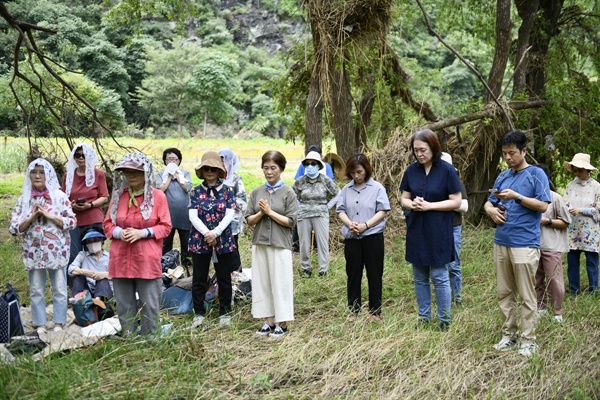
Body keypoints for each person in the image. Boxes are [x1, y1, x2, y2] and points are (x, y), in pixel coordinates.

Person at [484, 130, 550, 357]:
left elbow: (543, 206)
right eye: (504, 154)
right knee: (504, 292)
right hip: (501, 240)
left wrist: (517, 197)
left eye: (512, 153)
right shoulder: (503, 176)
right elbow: (488, 203)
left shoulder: (536, 174)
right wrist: (491, 210)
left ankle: (528, 340)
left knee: (526, 293)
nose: (508, 157)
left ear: (523, 151)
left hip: (525, 242)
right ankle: (508, 336)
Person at [103, 152, 172, 336]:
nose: (131, 176)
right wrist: (119, 233)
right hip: (120, 257)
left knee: (149, 301)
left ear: (146, 173)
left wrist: (143, 233)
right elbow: (108, 224)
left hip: (146, 258)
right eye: (127, 172)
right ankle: (129, 336)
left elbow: (165, 227)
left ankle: (150, 336)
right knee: (124, 301)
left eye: (136, 172)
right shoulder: (119, 196)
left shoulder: (158, 197)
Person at [400, 132, 462, 331]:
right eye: (416, 150)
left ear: (434, 148)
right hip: (416, 229)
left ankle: (444, 319)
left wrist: (429, 206)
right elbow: (404, 198)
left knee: (439, 275)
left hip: (439, 230)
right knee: (419, 276)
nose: (419, 154)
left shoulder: (447, 170)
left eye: (423, 150)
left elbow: (456, 201)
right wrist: (413, 203)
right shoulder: (411, 171)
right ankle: (424, 317)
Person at [9, 159, 77, 333]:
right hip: (33, 251)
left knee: (60, 289)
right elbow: (14, 228)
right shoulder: (24, 199)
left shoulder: (60, 197)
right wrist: (31, 217)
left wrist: (49, 215)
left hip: (57, 251)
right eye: (34, 172)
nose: (38, 176)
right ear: (29, 175)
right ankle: (39, 323)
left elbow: (72, 222)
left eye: (42, 172)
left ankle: (59, 322)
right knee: (37, 289)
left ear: (49, 175)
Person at [245, 150, 297, 337]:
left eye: (273, 168)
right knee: (262, 283)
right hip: (260, 243)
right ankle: (268, 321)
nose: (269, 172)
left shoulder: (288, 192)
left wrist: (269, 212)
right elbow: (249, 220)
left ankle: (281, 323)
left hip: (280, 244)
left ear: (281, 169)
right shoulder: (257, 192)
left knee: (280, 283)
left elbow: (291, 221)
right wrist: (261, 213)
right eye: (266, 168)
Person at [337, 153, 390, 322]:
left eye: (359, 172)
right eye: (352, 173)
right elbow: (340, 210)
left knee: (374, 274)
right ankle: (353, 310)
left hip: (372, 236)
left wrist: (366, 225)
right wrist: (349, 223)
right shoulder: (346, 189)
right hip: (352, 238)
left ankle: (375, 312)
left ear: (366, 169)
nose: (356, 176)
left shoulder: (377, 188)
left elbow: (382, 210)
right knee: (353, 274)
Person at [188, 151, 236, 327]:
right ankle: (199, 312)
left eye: (213, 169)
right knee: (199, 277)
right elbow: (193, 216)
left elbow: (230, 213)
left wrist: (215, 232)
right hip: (199, 239)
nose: (209, 172)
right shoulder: (195, 191)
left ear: (219, 171)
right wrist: (207, 234)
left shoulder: (227, 191)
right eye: (206, 168)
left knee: (224, 277)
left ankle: (225, 312)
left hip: (222, 239)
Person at [292, 150, 339, 277]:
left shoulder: (325, 180)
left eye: (313, 163)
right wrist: (298, 206)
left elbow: (338, 193)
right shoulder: (301, 180)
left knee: (322, 242)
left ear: (319, 165)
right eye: (307, 164)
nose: (310, 166)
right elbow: (291, 194)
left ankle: (323, 269)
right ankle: (306, 268)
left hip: (321, 213)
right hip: (303, 213)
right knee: (304, 243)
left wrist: (328, 206)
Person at [61, 144, 109, 269]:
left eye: (84, 155)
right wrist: (70, 205)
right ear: (74, 157)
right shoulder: (68, 176)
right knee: (74, 253)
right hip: (74, 219)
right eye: (78, 155)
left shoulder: (98, 174)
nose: (81, 158)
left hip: (93, 218)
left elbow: (104, 196)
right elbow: (62, 197)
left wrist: (90, 205)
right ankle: (76, 285)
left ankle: (96, 283)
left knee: (94, 252)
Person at [535, 165, 571, 322]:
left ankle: (557, 312)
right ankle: (540, 308)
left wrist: (547, 221)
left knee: (554, 279)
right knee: (535, 279)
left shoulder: (555, 197)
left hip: (551, 245)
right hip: (532, 245)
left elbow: (565, 222)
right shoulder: (527, 198)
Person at [563, 153, 600, 295]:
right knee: (572, 261)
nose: (577, 173)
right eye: (575, 169)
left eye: (580, 170)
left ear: (588, 170)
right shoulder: (570, 186)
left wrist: (581, 210)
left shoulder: (597, 187)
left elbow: (598, 209)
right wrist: (568, 210)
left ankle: (594, 290)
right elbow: (564, 204)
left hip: (591, 229)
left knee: (591, 262)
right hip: (573, 229)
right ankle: (574, 290)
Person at [292, 145, 334, 252]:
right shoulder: (303, 166)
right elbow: (297, 181)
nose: (310, 165)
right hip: (305, 202)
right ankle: (297, 247)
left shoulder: (327, 167)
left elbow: (331, 183)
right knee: (300, 225)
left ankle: (317, 248)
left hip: (320, 202)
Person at [440, 152, 469, 305]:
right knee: (438, 264)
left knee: (453, 264)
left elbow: (464, 206)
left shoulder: (456, 182)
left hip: (453, 227)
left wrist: (447, 202)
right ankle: (444, 295)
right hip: (436, 227)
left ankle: (456, 297)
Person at [156, 148, 193, 266]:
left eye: (174, 159)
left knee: (186, 239)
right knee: (166, 240)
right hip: (167, 213)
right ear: (165, 161)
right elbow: (160, 190)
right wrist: (168, 176)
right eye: (169, 159)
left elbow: (187, 188)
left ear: (179, 160)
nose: (172, 162)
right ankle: (167, 261)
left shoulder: (185, 173)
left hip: (184, 212)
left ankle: (186, 260)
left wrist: (177, 175)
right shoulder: (160, 174)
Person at [68, 226, 114, 308]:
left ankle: (98, 302)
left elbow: (118, 274)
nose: (92, 243)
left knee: (103, 279)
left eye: (96, 240)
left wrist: (104, 275)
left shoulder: (109, 256)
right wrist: (85, 272)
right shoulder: (82, 255)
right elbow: (71, 269)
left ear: (102, 241)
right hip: (87, 290)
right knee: (78, 277)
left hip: (105, 292)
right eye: (89, 242)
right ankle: (79, 302)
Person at [218, 148, 247, 272]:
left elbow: (242, 202)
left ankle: (236, 276)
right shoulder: (215, 179)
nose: (222, 165)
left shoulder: (236, 180)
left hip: (232, 222)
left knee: (232, 250)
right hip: (216, 221)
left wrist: (227, 203)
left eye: (224, 161)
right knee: (219, 251)